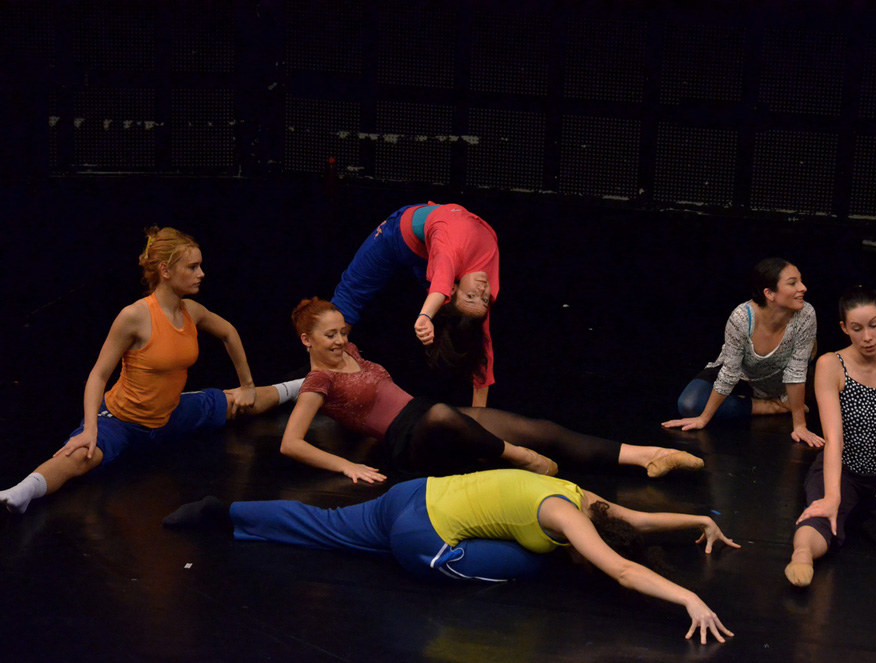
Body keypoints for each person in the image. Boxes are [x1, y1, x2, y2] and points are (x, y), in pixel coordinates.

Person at [163, 468, 739, 644]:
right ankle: (229, 517)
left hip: (412, 493)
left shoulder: (582, 496)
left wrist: (701, 520)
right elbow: (621, 568)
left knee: (323, 524)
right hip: (425, 543)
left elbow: (637, 520)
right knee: (533, 562)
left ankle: (225, 513)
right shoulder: (568, 522)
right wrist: (689, 597)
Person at [0, 227, 303, 516]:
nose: (201, 273)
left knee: (241, 403)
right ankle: (21, 492)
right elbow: (98, 376)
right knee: (81, 454)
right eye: (192, 267)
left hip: (171, 415)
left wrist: (247, 384)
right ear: (165, 270)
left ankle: (303, 385)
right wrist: (90, 428)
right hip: (122, 421)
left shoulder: (192, 311)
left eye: (200, 266)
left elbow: (229, 333)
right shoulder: (134, 316)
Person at [280, 298, 705, 484]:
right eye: (330, 336)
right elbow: (291, 444)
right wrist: (346, 466)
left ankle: (647, 455)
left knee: (538, 428)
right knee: (445, 415)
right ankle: (520, 458)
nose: (340, 341)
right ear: (306, 341)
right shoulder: (317, 382)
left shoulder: (351, 351)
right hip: (407, 443)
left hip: (424, 412)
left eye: (343, 332)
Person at [785, 287, 876, 587]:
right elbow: (833, 438)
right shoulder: (831, 365)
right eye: (857, 328)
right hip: (845, 472)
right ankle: (802, 555)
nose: (867, 337)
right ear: (844, 328)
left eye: (874, 325)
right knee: (822, 518)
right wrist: (832, 497)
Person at [330, 202, 498, 406]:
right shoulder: (478, 277)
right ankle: (324, 372)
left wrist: (479, 417)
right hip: (403, 238)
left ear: (454, 288)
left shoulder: (451, 257)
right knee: (346, 301)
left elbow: (483, 351)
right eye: (483, 299)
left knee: (347, 299)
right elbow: (442, 284)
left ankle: (322, 379)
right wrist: (425, 316)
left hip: (425, 249)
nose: (482, 291)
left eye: (472, 297)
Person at [662, 258, 824, 447]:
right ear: (769, 293)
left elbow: (796, 371)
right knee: (689, 404)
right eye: (792, 283)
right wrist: (704, 418)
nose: (803, 288)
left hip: (779, 382)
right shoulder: (742, 318)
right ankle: (771, 407)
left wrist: (800, 425)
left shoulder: (806, 314)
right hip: (743, 378)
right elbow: (730, 372)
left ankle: (779, 401)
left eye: (801, 281)